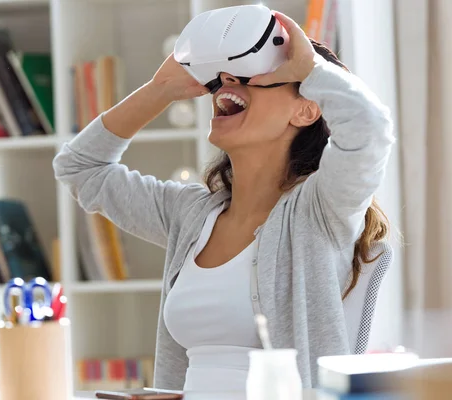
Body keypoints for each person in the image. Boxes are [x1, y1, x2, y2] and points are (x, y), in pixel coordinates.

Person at [53, 11, 394, 392]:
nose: (229, 82)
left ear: (306, 108)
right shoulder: (190, 216)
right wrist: (159, 89)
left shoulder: (318, 212)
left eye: (255, 76)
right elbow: (80, 168)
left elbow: (370, 130)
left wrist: (309, 68)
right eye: (227, 77)